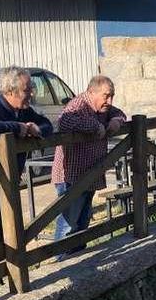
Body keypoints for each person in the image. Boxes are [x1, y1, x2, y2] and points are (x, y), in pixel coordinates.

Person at [0, 66, 53, 294]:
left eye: (31, 88)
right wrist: (18, 128)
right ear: (10, 90)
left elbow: (47, 126)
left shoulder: (22, 110)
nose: (32, 93)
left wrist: (34, 128)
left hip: (7, 184)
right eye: (27, 89)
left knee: (7, 238)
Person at [51, 76, 126, 260]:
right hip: (71, 175)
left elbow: (120, 113)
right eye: (106, 96)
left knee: (82, 221)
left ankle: (78, 258)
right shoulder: (78, 105)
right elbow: (64, 122)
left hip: (89, 173)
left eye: (112, 96)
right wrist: (94, 126)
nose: (109, 101)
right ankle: (61, 262)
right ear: (91, 92)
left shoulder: (102, 106)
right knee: (69, 222)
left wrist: (116, 120)